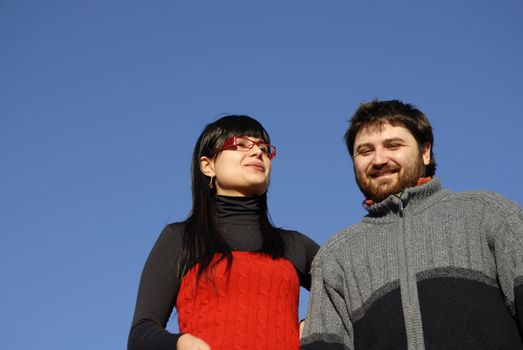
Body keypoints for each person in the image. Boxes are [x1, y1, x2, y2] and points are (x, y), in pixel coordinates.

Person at [300, 100, 523, 350]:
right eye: (364, 151)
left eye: (393, 145)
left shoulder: (489, 214)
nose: (379, 159)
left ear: (425, 151)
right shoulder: (335, 258)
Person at [128, 115, 319, 350]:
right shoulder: (182, 238)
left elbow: (355, 294)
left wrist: (316, 326)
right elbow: (141, 332)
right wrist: (181, 343)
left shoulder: (294, 245)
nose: (257, 152)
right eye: (240, 144)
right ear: (208, 166)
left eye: (264, 148)